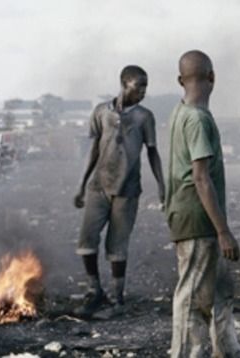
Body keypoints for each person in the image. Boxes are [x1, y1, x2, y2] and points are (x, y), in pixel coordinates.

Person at [165, 50, 240, 358]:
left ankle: (227, 349)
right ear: (211, 77)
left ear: (180, 80)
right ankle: (184, 353)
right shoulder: (197, 119)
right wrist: (223, 231)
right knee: (191, 293)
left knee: (220, 288)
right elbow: (200, 178)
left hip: (191, 215)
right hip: (198, 218)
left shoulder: (179, 112)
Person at [73, 65, 164, 318]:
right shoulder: (101, 112)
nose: (143, 92)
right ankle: (94, 291)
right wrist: (81, 185)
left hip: (127, 189)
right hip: (98, 186)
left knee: (117, 245)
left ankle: (117, 299)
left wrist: (161, 185)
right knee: (87, 240)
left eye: (146, 87)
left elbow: (152, 152)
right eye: (139, 86)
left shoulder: (144, 117)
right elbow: (93, 149)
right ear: (125, 84)